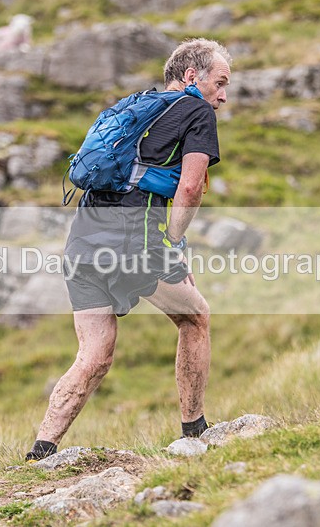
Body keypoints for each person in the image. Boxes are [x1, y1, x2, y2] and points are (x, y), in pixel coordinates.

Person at [25, 38, 232, 461]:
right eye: (221, 83)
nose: (223, 95)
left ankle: (41, 452)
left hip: (83, 241)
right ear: (192, 77)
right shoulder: (195, 111)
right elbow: (190, 189)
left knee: (94, 355)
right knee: (196, 317)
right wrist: (173, 243)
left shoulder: (134, 107)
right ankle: (195, 433)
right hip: (130, 241)